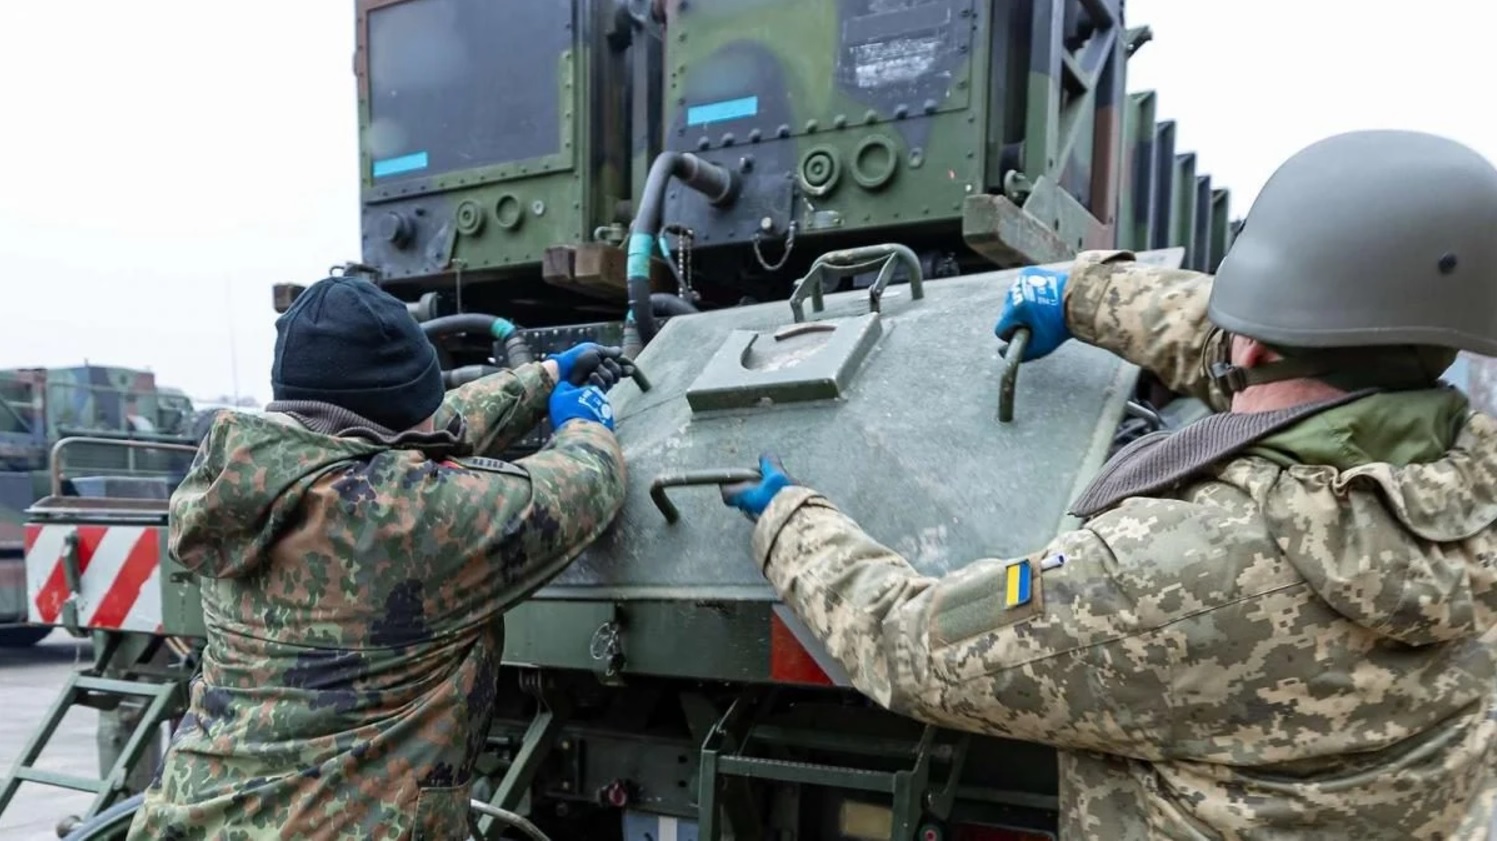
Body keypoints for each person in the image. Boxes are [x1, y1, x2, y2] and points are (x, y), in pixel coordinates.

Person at [716, 129, 1497, 839]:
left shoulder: (1169, 572)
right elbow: (1266, 353)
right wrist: (1086, 297)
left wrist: (789, 520)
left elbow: (913, 643)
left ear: (1254, 344)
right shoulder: (1477, 467)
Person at [127, 274, 629, 840]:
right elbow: (583, 487)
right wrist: (584, 423)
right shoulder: (405, 518)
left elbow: (429, 429)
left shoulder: (245, 480)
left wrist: (544, 377)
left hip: (191, 818)